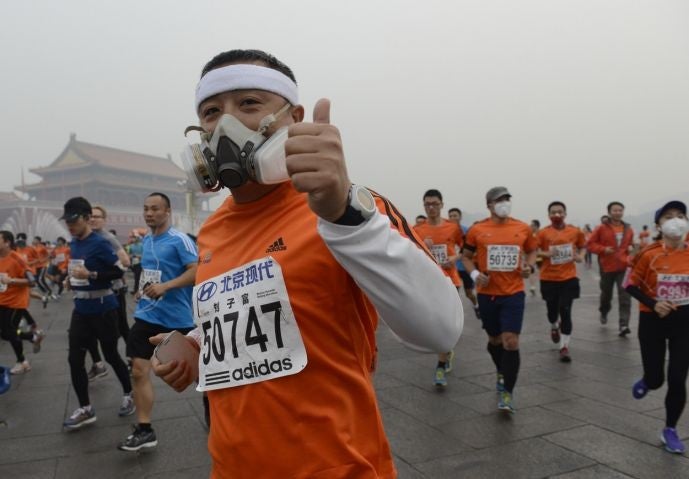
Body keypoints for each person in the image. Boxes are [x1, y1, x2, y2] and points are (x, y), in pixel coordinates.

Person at [151, 49, 463, 478]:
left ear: (293, 117)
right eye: (211, 111)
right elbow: (262, 308)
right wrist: (197, 342)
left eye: (249, 104)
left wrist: (345, 216)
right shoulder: (213, 229)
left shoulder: (345, 207)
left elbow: (441, 330)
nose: (225, 124)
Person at [118, 192, 198, 451]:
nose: (149, 213)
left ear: (167, 211)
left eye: (155, 209)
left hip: (178, 319)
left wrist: (166, 287)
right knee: (139, 371)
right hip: (146, 315)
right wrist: (145, 289)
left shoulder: (179, 240)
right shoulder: (148, 241)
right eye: (146, 209)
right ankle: (145, 429)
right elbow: (152, 273)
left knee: (200, 375)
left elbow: (197, 270)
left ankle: (220, 412)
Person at [59, 197, 135, 429]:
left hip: (104, 309)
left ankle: (129, 393)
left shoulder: (100, 242)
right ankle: (86, 408)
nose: (70, 225)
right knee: (74, 360)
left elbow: (117, 272)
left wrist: (90, 276)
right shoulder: (73, 243)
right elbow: (77, 270)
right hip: (81, 311)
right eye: (67, 221)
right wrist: (69, 280)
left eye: (74, 220)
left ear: (86, 218)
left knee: (111, 355)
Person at [461, 186, 537, 413]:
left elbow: (532, 251)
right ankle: (501, 370)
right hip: (487, 294)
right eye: (499, 200)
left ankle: (507, 392)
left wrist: (529, 266)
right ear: (489, 205)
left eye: (507, 199)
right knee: (494, 340)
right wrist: (475, 274)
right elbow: (465, 257)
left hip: (514, 293)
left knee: (510, 341)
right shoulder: (477, 229)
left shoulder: (522, 228)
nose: (504, 203)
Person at [625, 201, 689, 454]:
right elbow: (629, 285)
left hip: (684, 322)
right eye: (669, 217)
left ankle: (670, 429)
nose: (676, 220)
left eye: (681, 216)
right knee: (656, 378)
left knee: (677, 379)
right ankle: (647, 380)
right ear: (659, 225)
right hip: (653, 322)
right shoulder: (649, 254)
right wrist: (653, 304)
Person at [413, 189, 463, 387]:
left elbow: (465, 250)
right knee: (437, 322)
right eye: (427, 204)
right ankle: (447, 349)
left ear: (442, 204)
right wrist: (421, 247)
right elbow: (410, 254)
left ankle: (440, 367)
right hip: (430, 282)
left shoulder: (453, 227)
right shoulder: (417, 229)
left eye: (435, 203)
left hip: (451, 280)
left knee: (447, 322)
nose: (431, 207)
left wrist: (455, 258)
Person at [536, 202, 586, 362]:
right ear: (548, 215)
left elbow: (582, 246)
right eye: (553, 212)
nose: (557, 215)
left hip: (568, 278)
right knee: (552, 312)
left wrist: (580, 256)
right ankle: (553, 325)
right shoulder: (543, 233)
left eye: (560, 212)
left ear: (565, 213)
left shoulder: (574, 231)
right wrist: (547, 254)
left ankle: (564, 347)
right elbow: (535, 252)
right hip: (548, 278)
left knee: (565, 310)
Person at [587, 202, 635, 336]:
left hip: (624, 267)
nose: (618, 212)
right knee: (606, 295)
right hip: (607, 267)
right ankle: (603, 311)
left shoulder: (628, 229)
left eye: (620, 210)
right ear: (609, 212)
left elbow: (630, 245)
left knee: (625, 296)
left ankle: (624, 325)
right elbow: (590, 245)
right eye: (615, 210)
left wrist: (632, 248)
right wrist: (603, 249)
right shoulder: (601, 228)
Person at [0, 231, 42, 374]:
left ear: (6, 242)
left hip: (15, 302)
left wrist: (11, 280)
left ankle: (22, 362)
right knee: (4, 334)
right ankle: (32, 336)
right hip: (2, 300)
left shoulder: (17, 258)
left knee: (9, 332)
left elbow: (32, 281)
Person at [448, 207, 480, 319]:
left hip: (464, 267)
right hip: (451, 269)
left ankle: (476, 306)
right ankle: (453, 316)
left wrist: (457, 257)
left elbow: (469, 251)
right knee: (452, 294)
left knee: (469, 293)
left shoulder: (467, 231)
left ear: (460, 217)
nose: (452, 218)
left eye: (455, 216)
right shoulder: (445, 231)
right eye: (450, 216)